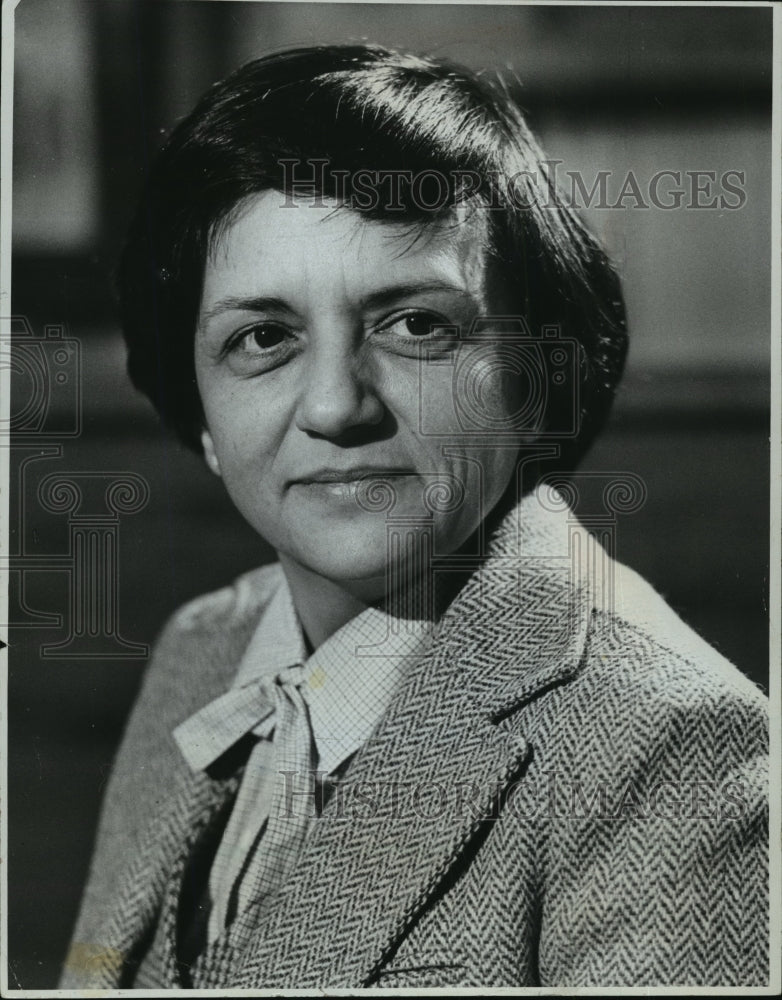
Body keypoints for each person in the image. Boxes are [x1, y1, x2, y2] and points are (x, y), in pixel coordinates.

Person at [60, 44, 768, 990]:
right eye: (263, 338)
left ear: (534, 378)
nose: (335, 406)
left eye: (417, 325)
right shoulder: (204, 648)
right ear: (201, 417)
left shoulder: (667, 745)